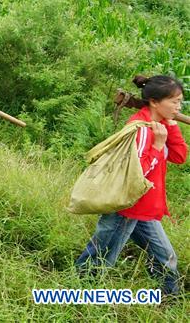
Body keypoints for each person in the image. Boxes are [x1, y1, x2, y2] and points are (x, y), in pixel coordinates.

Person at [76, 75, 186, 296]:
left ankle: (171, 298)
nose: (178, 106)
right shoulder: (141, 130)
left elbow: (179, 156)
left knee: (166, 258)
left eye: (180, 102)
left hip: (143, 208)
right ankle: (79, 292)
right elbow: (136, 175)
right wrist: (157, 145)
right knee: (101, 257)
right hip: (127, 207)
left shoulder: (160, 126)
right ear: (155, 102)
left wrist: (171, 125)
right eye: (174, 101)